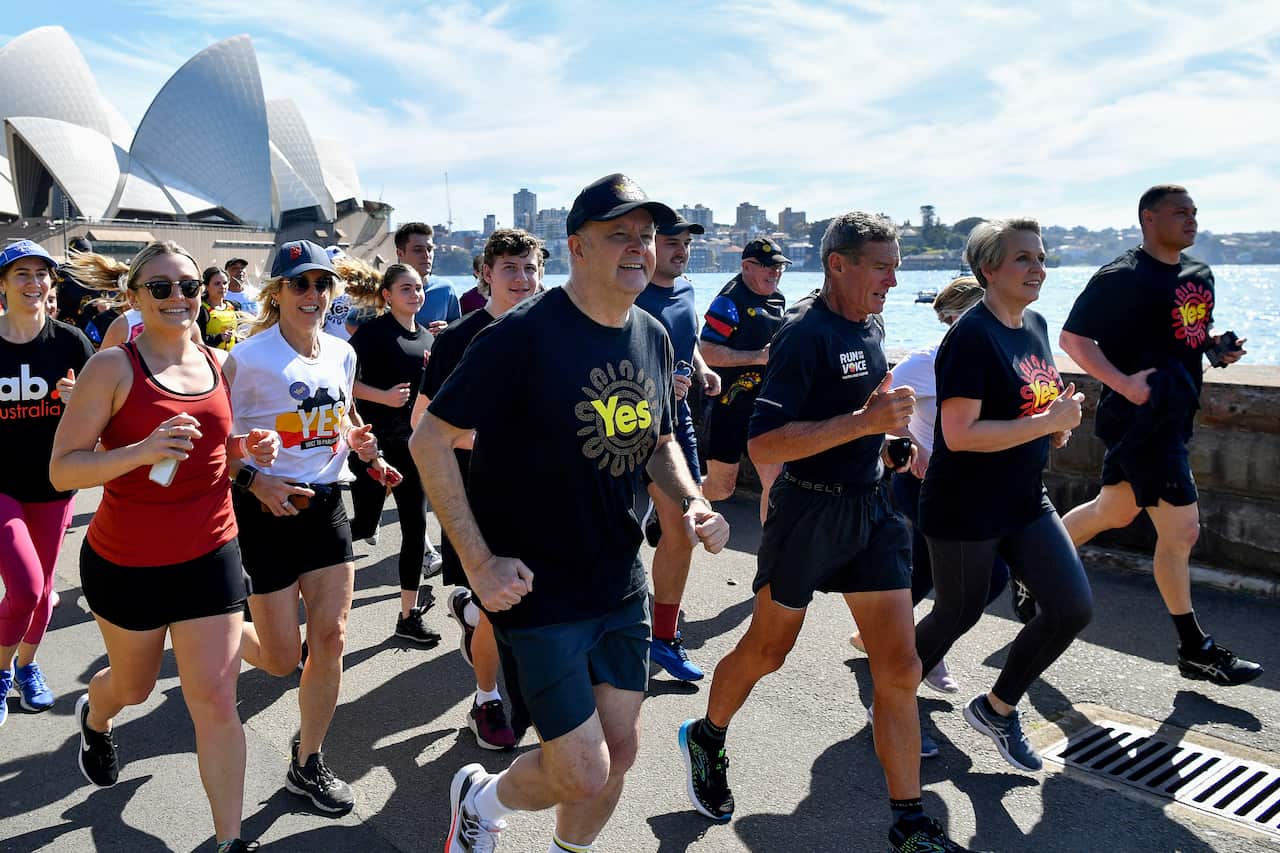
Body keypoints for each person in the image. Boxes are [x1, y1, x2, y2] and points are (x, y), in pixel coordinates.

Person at [413, 174, 729, 853]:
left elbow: (659, 440)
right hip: (535, 584)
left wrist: (693, 500)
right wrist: (477, 561)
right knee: (583, 768)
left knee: (620, 751)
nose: (639, 249)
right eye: (620, 234)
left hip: (618, 577)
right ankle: (481, 799)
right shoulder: (523, 336)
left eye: (646, 236)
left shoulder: (651, 333)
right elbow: (429, 438)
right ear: (577, 247)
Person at [678, 212, 969, 852]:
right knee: (767, 653)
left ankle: (909, 822)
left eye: (896, 265)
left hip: (872, 509)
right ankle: (707, 735)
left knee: (899, 668)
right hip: (808, 512)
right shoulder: (802, 335)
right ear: (839, 264)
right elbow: (766, 439)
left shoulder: (870, 323)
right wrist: (863, 425)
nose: (895, 278)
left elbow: (864, 413)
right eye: (883, 265)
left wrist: (888, 441)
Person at [49, 240, 280, 853]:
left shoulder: (214, 359)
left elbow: (211, 459)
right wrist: (140, 451)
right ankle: (95, 719)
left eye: (188, 287)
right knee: (134, 689)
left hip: (210, 554)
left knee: (216, 700)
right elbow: (64, 470)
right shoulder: (113, 368)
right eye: (161, 288)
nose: (179, 297)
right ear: (133, 298)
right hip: (127, 563)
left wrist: (246, 452)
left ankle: (230, 840)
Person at [1058, 185, 1261, 685]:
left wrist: (1216, 348)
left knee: (1114, 511)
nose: (1192, 221)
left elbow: (1186, 336)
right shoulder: (1121, 276)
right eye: (1180, 213)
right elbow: (1073, 339)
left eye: (1194, 213)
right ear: (1149, 219)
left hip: (1178, 412)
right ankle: (1195, 648)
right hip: (1139, 423)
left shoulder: (1199, 273)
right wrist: (1124, 383)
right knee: (1182, 531)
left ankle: (1032, 565)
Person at [914, 218, 1093, 775]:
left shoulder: (1034, 323)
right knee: (959, 611)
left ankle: (996, 708)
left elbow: (1031, 408)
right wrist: (1046, 422)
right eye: (1022, 258)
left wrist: (1056, 425)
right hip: (966, 502)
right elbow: (960, 434)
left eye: (1040, 257)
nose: (1037, 268)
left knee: (1070, 609)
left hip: (1023, 497)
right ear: (988, 269)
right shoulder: (970, 336)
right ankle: (891, 693)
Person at [226, 240, 381, 816]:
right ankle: (211, 630)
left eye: (321, 284)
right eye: (300, 284)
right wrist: (254, 482)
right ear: (277, 292)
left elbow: (339, 414)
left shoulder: (342, 353)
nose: (312, 295)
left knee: (332, 637)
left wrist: (363, 445)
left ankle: (308, 760)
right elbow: (218, 445)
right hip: (267, 512)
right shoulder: (247, 359)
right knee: (279, 659)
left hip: (326, 504)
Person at [848, 277, 1011, 695]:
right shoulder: (926, 363)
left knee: (922, 574)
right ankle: (919, 658)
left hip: (974, 488)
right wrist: (910, 443)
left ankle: (887, 641)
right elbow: (874, 404)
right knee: (986, 578)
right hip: (925, 485)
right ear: (956, 320)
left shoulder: (995, 363)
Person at [416, 227, 544, 752]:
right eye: (509, 268)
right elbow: (424, 422)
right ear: (485, 274)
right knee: (498, 607)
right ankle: (486, 697)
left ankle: (475, 616)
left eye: (530, 267)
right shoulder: (458, 339)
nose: (521, 278)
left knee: (531, 597)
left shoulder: (554, 330)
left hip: (543, 493)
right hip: (476, 495)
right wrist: (494, 440)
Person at [0, 241, 93, 727]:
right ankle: (0, 673)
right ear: (2, 284)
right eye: (21, 274)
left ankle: (26, 664)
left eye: (42, 274)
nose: (34, 283)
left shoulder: (71, 343)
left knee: (43, 595)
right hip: (1, 486)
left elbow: (106, 408)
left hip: (55, 483)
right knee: (26, 584)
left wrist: (81, 401)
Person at [633, 214, 721, 681]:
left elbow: (683, 340)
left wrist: (701, 366)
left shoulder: (685, 289)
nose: (680, 250)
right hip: (623, 428)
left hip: (677, 424)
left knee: (684, 529)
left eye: (685, 243)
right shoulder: (629, 292)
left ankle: (663, 638)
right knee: (610, 536)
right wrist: (659, 380)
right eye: (671, 242)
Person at [344, 260, 441, 644]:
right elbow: (343, 382)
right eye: (406, 289)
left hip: (411, 447)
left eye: (418, 288)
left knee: (416, 526)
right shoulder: (372, 334)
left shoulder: (427, 339)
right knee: (364, 526)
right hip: (374, 447)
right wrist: (381, 396)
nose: (415, 295)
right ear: (387, 295)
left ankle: (408, 615)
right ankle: (292, 566)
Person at [698, 237, 788, 525]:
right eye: (768, 267)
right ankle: (675, 496)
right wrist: (758, 357)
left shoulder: (778, 299)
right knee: (722, 488)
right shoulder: (729, 302)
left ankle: (773, 555)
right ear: (747, 266)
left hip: (765, 408)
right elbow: (707, 352)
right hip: (728, 406)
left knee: (775, 482)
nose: (775, 273)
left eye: (779, 268)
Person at [395, 222, 459, 336]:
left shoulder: (446, 289)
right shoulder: (384, 291)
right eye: (418, 250)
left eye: (430, 249)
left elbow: (458, 332)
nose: (426, 255)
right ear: (400, 253)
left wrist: (447, 330)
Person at [200, 266, 240, 351]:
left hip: (233, 358)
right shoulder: (201, 309)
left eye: (225, 283)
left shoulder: (234, 306)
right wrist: (219, 338)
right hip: (211, 360)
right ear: (207, 286)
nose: (222, 286)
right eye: (217, 283)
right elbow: (197, 341)